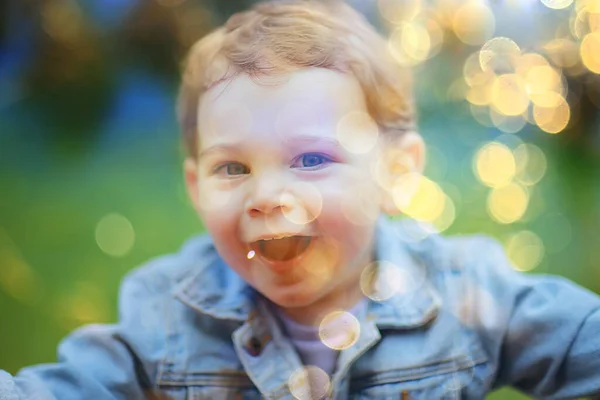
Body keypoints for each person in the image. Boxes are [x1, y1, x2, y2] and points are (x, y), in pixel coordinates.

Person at [2, 1, 599, 399]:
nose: (266, 195)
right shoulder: (163, 315)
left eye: (312, 159)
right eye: (232, 167)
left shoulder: (470, 295)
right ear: (195, 188)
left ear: (396, 173)